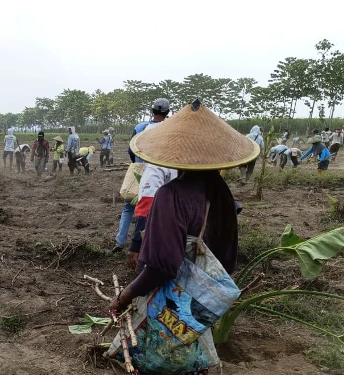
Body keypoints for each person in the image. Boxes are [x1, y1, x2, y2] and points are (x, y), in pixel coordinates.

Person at [107, 99, 256, 375]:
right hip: (200, 298)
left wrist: (125, 296)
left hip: (171, 294)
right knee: (193, 355)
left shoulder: (172, 194)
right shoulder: (221, 193)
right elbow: (228, 253)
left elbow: (164, 265)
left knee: (159, 357)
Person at [113, 98, 170, 253]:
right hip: (160, 174)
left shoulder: (140, 127)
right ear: (168, 113)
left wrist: (136, 164)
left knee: (129, 207)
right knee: (157, 209)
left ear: (152, 111)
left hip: (140, 170)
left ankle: (120, 241)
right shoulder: (170, 128)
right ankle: (152, 243)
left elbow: (131, 150)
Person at [127, 117, 177, 270]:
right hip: (184, 227)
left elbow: (146, 208)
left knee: (149, 270)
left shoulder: (155, 166)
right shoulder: (180, 160)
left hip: (164, 228)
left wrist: (135, 245)